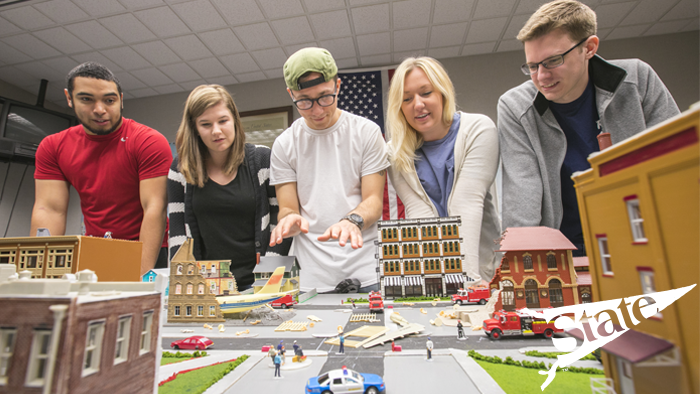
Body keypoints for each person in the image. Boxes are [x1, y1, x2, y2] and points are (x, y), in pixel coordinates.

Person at [498, 0, 680, 255]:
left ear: (589, 48)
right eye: (532, 66)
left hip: (645, 236)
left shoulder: (637, 80)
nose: (541, 76)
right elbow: (522, 195)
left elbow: (676, 164)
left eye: (552, 61)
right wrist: (519, 265)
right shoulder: (515, 107)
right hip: (568, 249)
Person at [31, 62, 172, 274]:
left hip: (148, 247)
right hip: (95, 246)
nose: (100, 110)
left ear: (121, 99)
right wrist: (39, 271)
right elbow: (50, 210)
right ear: (69, 98)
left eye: (109, 100)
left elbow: (154, 208)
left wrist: (139, 274)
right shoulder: (53, 146)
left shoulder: (147, 141)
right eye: (87, 99)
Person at [269, 47, 390, 293]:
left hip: (368, 270)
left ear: (337, 86)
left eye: (325, 97)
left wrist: (352, 221)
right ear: (291, 94)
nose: (317, 110)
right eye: (304, 101)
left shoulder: (366, 132)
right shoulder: (284, 144)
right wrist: (289, 219)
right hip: (311, 278)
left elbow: (374, 201)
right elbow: (288, 208)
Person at [386, 56, 501, 285]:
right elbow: (420, 212)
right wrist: (432, 281)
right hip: (432, 271)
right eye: (407, 99)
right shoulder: (395, 152)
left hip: (479, 268)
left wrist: (467, 282)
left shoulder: (478, 129)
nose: (418, 104)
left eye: (426, 93)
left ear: (442, 93)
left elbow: (466, 203)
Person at [168, 85, 291, 289]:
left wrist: (267, 283)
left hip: (260, 284)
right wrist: (185, 286)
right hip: (207, 288)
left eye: (223, 121)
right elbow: (178, 235)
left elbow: (280, 223)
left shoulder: (262, 159)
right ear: (195, 129)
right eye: (205, 124)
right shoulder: (181, 169)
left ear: (234, 119)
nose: (216, 131)